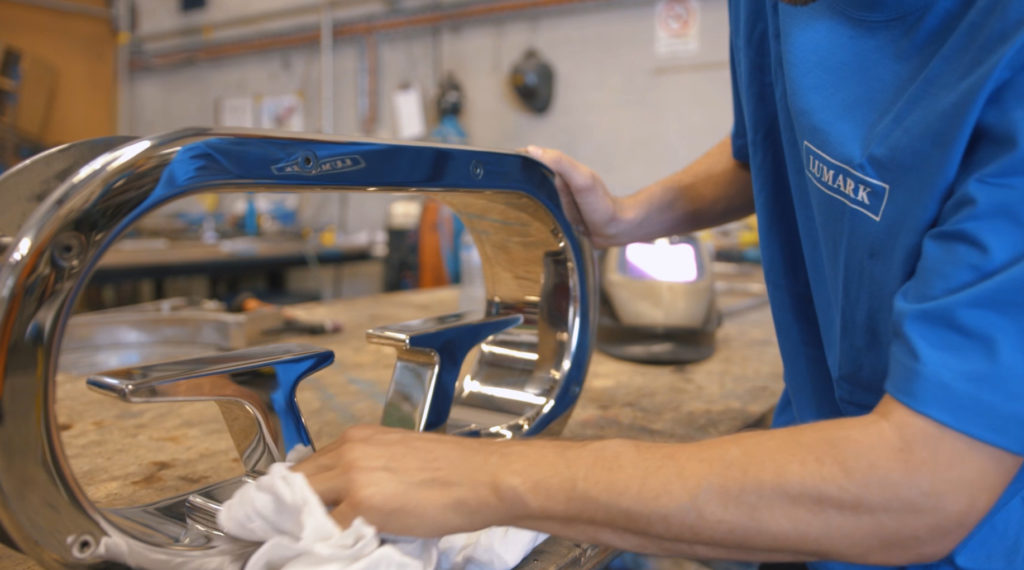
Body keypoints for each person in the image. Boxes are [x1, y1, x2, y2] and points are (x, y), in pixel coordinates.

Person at [295, 1, 1024, 568]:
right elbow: (768, 143)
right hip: (813, 458)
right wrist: (633, 217)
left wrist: (488, 479)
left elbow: (926, 479)